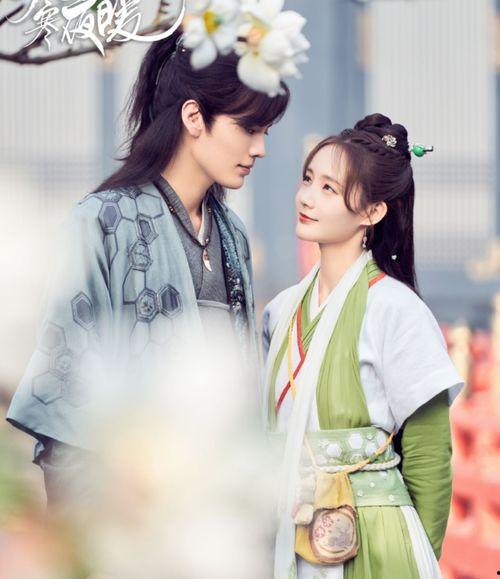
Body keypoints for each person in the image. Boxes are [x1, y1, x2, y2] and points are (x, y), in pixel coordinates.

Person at [6, 22, 293, 511]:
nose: (260, 148)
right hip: (127, 504)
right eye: (248, 128)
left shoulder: (233, 235)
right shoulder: (100, 222)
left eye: (265, 132)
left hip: (218, 504)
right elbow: (66, 386)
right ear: (194, 117)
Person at [262, 114, 465, 579]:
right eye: (308, 180)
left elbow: (429, 454)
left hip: (374, 542)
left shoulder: (396, 309)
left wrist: (413, 555)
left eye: (328, 189)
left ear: (372, 212)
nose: (307, 197)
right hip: (290, 533)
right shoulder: (280, 310)